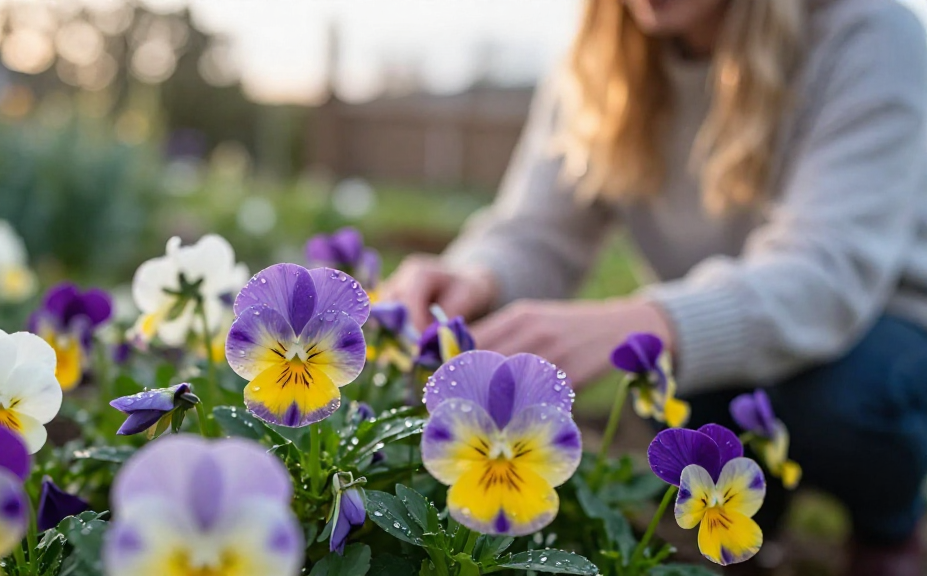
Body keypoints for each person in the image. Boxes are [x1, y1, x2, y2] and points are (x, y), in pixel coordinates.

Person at [382, 1, 927, 574]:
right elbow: (539, 231)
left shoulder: (866, 33)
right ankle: (751, 530)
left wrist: (646, 323)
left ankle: (887, 526)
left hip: (875, 322)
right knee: (684, 406)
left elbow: (825, 271)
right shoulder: (605, 52)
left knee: (840, 401)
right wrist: (476, 276)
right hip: (709, 331)